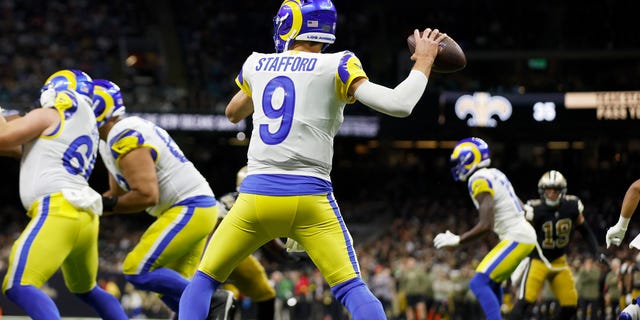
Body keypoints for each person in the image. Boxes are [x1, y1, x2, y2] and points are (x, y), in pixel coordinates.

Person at [178, 0, 446, 318]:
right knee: (351, 289)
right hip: (310, 198)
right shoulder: (339, 64)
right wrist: (425, 60)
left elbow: (233, 112)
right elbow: (400, 104)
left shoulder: (256, 63)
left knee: (203, 282)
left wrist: (263, 81)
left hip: (255, 198)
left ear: (286, 26)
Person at [92, 79, 233, 318]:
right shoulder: (109, 140)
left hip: (189, 207)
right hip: (194, 208)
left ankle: (215, 300)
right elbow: (118, 197)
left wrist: (99, 204)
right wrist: (83, 206)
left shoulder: (122, 134)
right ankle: (205, 309)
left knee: (137, 268)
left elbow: (147, 195)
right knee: (177, 299)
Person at [0, 69, 128, 319]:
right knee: (87, 289)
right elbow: (20, 147)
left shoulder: (51, 114)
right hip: (85, 216)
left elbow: (3, 138)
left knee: (18, 285)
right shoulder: (83, 124)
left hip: (58, 209)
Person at [433, 137, 537, 320]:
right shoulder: (495, 173)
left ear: (469, 159)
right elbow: (520, 206)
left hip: (517, 237)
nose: (456, 166)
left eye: (458, 162)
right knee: (492, 282)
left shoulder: (478, 179)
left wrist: (458, 240)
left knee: (478, 283)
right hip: (520, 234)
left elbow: (486, 225)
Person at [508, 170, 600, 320]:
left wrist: (596, 251)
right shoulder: (534, 209)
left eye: (555, 190)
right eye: (548, 190)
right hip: (538, 260)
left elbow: (585, 231)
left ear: (562, 191)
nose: (551, 193)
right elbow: (520, 233)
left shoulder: (572, 206)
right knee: (525, 301)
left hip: (559, 261)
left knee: (571, 304)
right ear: (542, 191)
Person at [215, 166, 300, 320]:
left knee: (264, 294)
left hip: (235, 258)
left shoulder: (248, 204)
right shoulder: (235, 204)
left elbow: (268, 238)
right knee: (216, 295)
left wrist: (285, 253)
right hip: (214, 256)